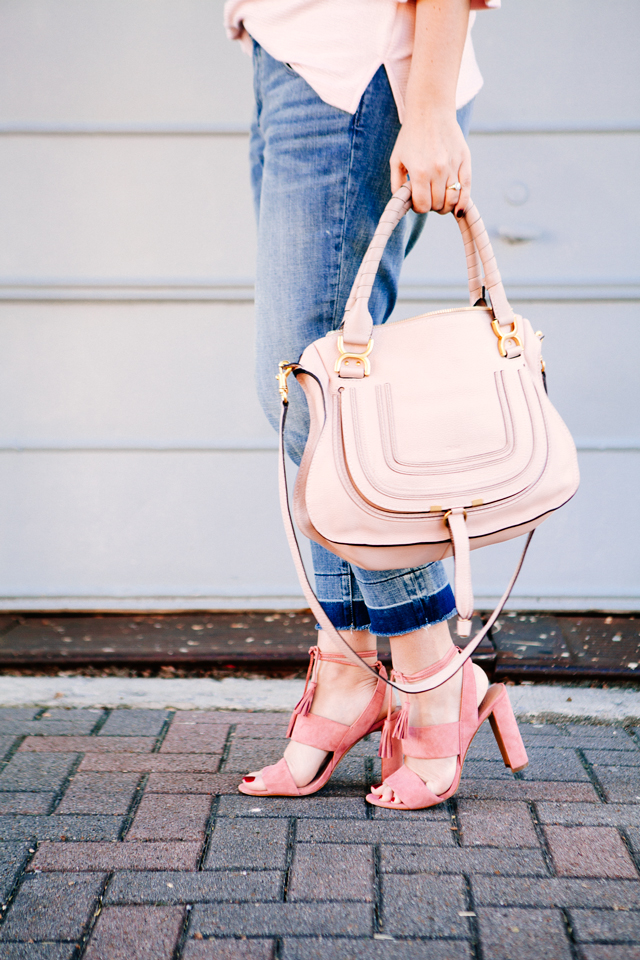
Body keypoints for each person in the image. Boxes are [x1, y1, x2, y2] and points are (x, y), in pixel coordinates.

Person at [224, 0, 523, 809]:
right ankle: (352, 665)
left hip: (357, 71)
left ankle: (431, 673)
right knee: (309, 401)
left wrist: (426, 111)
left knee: (322, 404)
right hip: (294, 59)